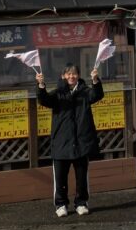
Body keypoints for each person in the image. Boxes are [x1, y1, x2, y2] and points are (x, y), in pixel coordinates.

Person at [36, 64, 104, 217]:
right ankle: (61, 205)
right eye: (68, 74)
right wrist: (40, 85)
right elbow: (44, 100)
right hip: (61, 142)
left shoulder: (85, 92)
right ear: (63, 76)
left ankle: (81, 203)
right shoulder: (58, 93)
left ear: (78, 76)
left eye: (74, 74)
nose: (71, 77)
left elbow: (97, 95)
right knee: (60, 177)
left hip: (81, 142)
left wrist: (95, 80)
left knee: (81, 177)